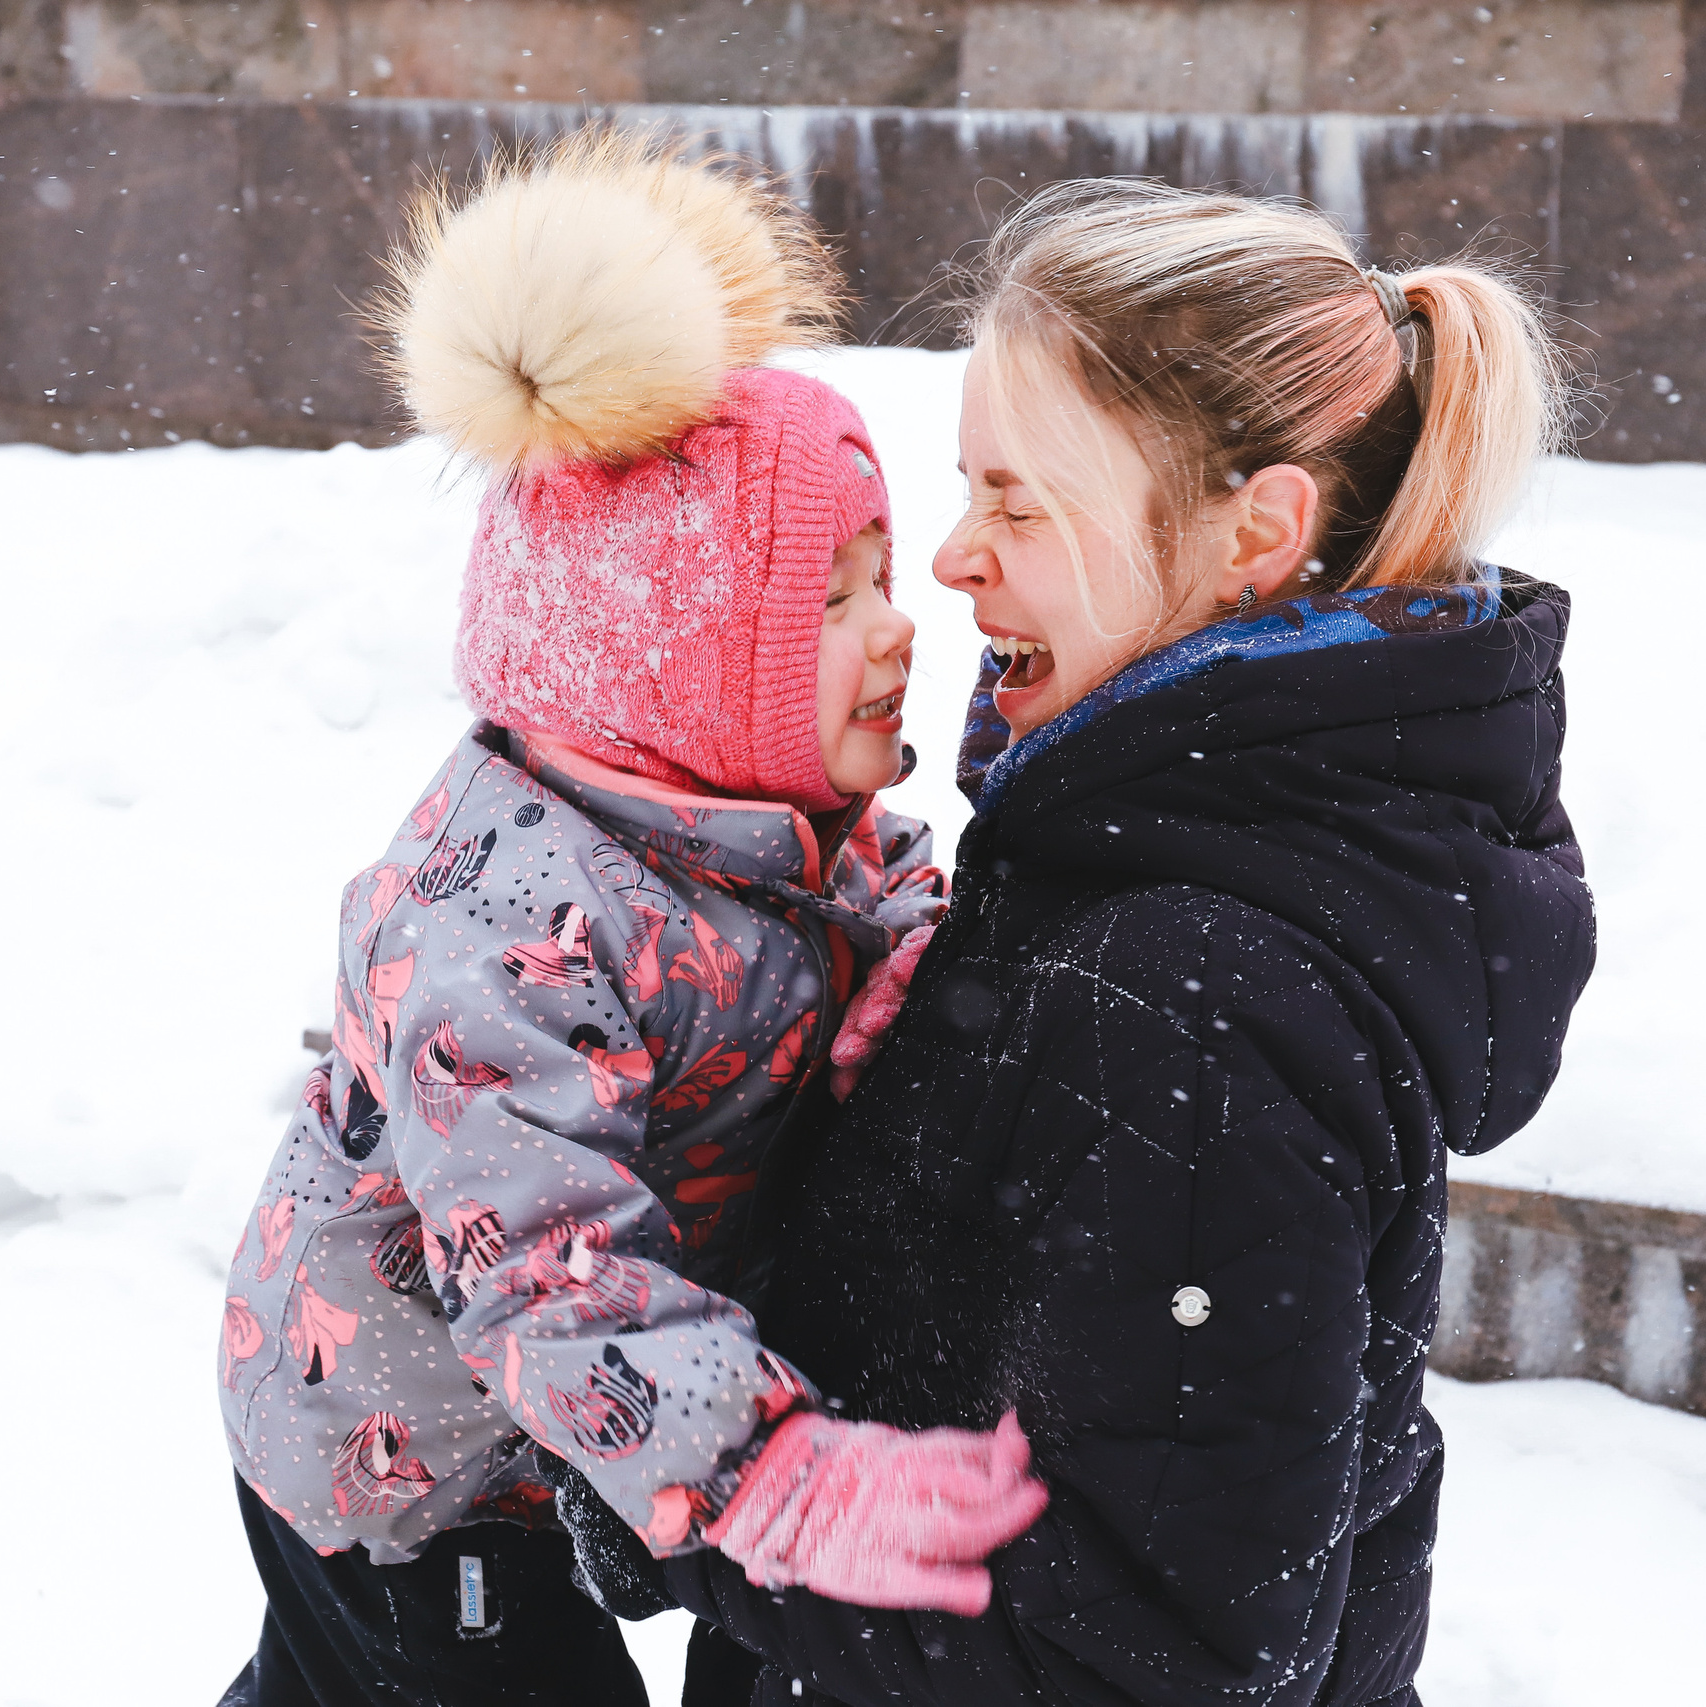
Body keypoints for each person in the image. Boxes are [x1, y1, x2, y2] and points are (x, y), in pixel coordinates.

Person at [660, 181, 1599, 1704]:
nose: (956, 559)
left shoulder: (1189, 998)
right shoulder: (1168, 866)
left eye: (1020, 501)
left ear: (1259, 534)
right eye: (967, 489)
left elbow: (1151, 1658)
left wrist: (679, 1503)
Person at [213, 138, 1048, 1707]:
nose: (902, 626)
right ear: (670, 656)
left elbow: (863, 877)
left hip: (550, 1442)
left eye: (881, 576)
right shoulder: (500, 935)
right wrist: (778, 1474)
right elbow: (546, 1262)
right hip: (407, 1475)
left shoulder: (749, 816)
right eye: (829, 600)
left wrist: (909, 960)